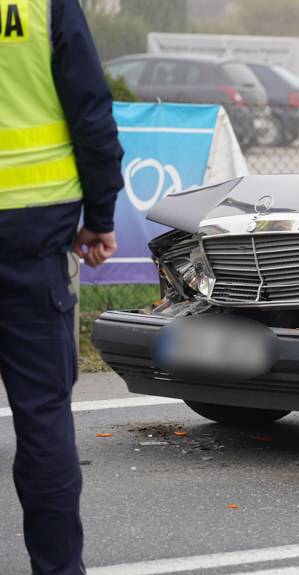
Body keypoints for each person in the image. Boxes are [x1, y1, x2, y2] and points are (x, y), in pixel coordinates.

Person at [0, 0, 123, 572]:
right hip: (30, 239)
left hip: (32, 236)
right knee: (42, 415)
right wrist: (99, 217)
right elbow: (91, 113)